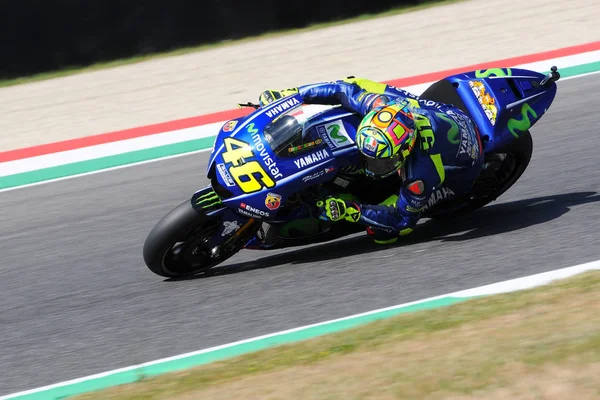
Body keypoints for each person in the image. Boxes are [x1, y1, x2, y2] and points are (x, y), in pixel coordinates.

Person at [258, 77, 484, 244]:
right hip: (441, 112)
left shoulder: (421, 173)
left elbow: (401, 218)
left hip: (463, 169)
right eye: (369, 158)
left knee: (385, 234)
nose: (370, 166)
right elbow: (340, 90)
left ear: (406, 150)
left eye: (381, 162)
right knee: (354, 82)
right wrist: (291, 95)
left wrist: (351, 211)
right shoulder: (379, 106)